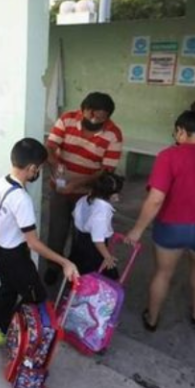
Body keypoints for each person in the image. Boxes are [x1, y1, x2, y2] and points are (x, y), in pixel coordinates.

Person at [126, 111, 195, 330]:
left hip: (171, 228)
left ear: (180, 131)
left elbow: (156, 199)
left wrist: (137, 229)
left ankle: (152, 319)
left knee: (163, 273)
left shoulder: (169, 156)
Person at [0, 138, 80, 348]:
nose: (39, 173)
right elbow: (34, 243)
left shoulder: (1, 182)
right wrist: (64, 262)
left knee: (8, 289)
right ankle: (23, 338)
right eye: (40, 169)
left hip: (0, 248)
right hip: (15, 256)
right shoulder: (22, 200)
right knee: (37, 296)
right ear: (31, 168)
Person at [43, 92, 123, 290]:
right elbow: (50, 147)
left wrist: (78, 184)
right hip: (60, 188)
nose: (94, 120)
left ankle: (76, 270)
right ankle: (53, 266)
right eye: (91, 115)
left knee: (83, 236)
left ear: (108, 117)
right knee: (57, 230)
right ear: (83, 109)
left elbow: (106, 170)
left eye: (100, 118)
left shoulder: (114, 134)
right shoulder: (67, 119)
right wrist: (55, 166)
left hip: (88, 193)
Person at [71, 172, 125, 279]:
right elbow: (98, 240)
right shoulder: (101, 213)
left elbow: (74, 214)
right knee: (107, 276)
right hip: (93, 249)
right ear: (112, 195)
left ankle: (75, 290)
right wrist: (107, 257)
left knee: (80, 268)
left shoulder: (85, 199)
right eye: (117, 193)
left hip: (80, 241)